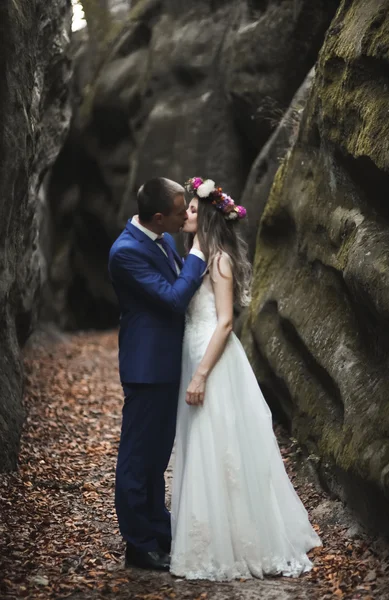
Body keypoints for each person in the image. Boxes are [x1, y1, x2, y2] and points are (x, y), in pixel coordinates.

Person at [170, 177, 321, 580]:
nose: (186, 213)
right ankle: (209, 534)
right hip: (195, 351)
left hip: (213, 361)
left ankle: (235, 544)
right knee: (203, 447)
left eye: (192, 209)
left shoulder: (218, 259)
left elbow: (225, 323)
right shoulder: (196, 253)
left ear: (206, 218)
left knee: (220, 447)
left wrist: (201, 375)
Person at [108, 177, 206, 571]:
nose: (188, 213)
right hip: (146, 368)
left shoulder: (161, 238)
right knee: (137, 459)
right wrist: (199, 257)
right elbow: (172, 299)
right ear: (160, 216)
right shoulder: (125, 252)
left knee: (156, 458)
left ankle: (159, 532)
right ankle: (138, 544)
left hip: (167, 364)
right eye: (183, 209)